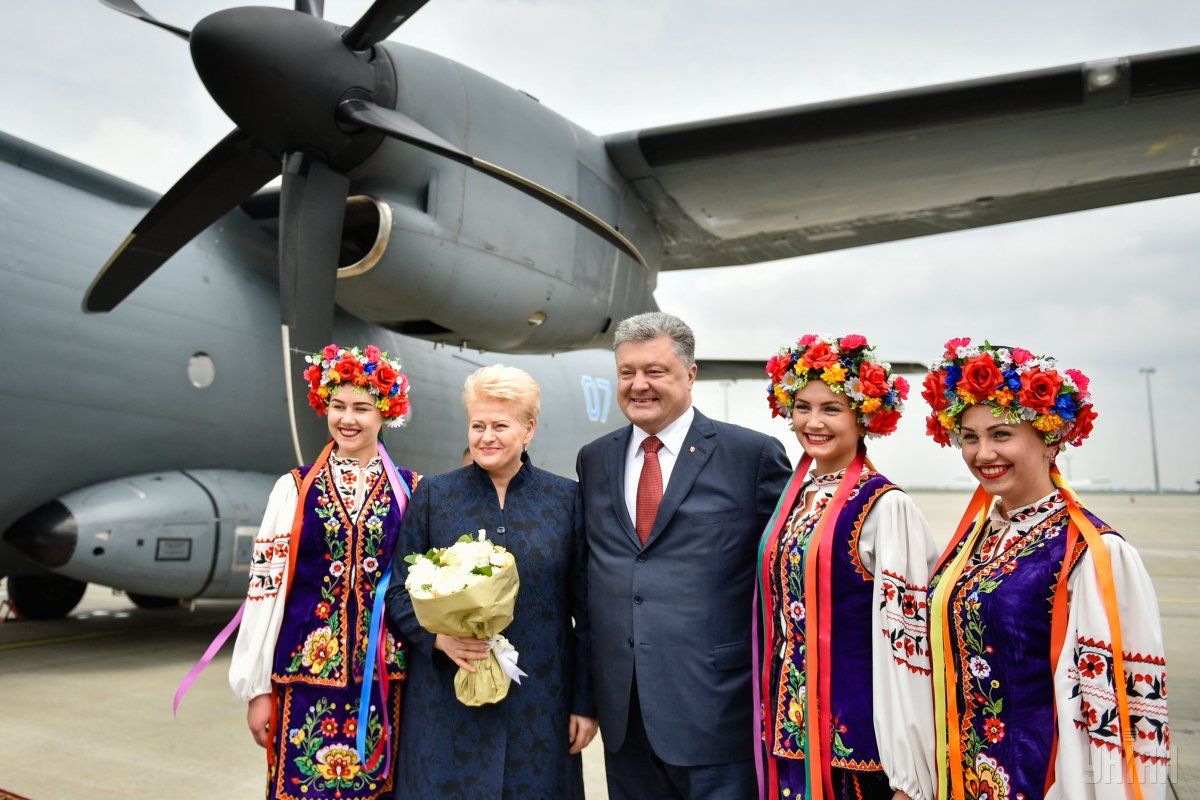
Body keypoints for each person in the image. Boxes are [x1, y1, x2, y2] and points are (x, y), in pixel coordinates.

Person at [922, 339, 1169, 800]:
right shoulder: (973, 541)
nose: (982, 454)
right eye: (970, 438)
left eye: (1001, 435)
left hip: (1041, 783)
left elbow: (1120, 716)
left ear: (1050, 438)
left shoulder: (1091, 552)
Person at [576, 312, 792, 800]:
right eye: (627, 372)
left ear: (690, 374)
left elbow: (786, 575)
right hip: (625, 718)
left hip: (718, 712)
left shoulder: (750, 456)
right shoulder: (596, 458)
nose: (639, 385)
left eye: (655, 371)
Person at [385, 364, 596, 799]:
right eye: (477, 425)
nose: (486, 437)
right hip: (447, 699)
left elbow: (588, 612)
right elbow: (398, 593)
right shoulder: (434, 496)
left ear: (528, 429)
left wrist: (584, 704)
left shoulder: (567, 500)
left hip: (540, 700)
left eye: (500, 425)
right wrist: (440, 640)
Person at [229, 343, 416, 800]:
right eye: (337, 406)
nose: (347, 419)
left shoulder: (412, 490)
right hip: (302, 678)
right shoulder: (292, 489)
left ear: (385, 413)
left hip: (388, 682)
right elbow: (265, 592)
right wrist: (256, 690)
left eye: (362, 408)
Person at [757, 334, 938, 800]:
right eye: (802, 406)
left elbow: (910, 643)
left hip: (858, 739)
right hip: (790, 729)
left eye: (831, 409)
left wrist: (911, 774)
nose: (812, 422)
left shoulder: (884, 506)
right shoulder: (794, 498)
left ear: (864, 417)